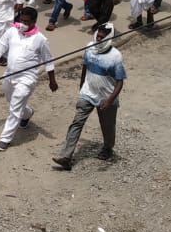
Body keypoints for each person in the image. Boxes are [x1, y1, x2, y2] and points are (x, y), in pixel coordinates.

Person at [0, 7, 58, 151]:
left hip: (27, 78)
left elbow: (49, 60)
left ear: (34, 22)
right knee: (12, 101)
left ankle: (5, 139)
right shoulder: (12, 31)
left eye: (27, 22)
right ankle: (27, 113)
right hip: (10, 74)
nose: (23, 24)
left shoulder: (41, 39)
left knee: (15, 106)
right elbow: (1, 45)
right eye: (21, 20)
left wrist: (52, 81)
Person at [52, 23, 124, 170]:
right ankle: (66, 156)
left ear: (109, 38)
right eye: (98, 35)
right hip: (88, 93)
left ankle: (108, 149)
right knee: (77, 122)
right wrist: (82, 86)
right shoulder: (89, 47)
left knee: (108, 126)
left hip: (106, 97)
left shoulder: (116, 56)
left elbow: (119, 82)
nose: (99, 39)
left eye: (103, 37)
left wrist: (109, 100)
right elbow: (85, 66)